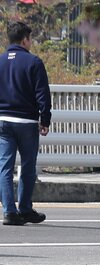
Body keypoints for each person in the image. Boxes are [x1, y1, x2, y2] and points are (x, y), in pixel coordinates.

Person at [0, 21, 51, 227]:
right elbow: (42, 95)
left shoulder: (1, 61)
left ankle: (9, 212)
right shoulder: (33, 62)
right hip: (27, 121)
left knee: (5, 167)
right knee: (28, 166)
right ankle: (25, 209)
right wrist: (45, 119)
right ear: (24, 40)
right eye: (30, 39)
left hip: (3, 120)